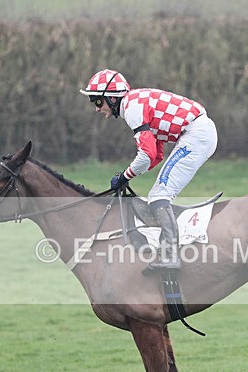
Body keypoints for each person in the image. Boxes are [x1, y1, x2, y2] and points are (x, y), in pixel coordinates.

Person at [80, 69, 218, 271]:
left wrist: (124, 176)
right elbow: (156, 155)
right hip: (198, 133)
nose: (96, 108)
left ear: (111, 98)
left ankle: (170, 256)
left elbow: (146, 155)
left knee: (159, 194)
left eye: (97, 101)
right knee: (158, 194)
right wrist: (127, 176)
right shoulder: (135, 103)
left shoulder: (132, 108)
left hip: (197, 135)